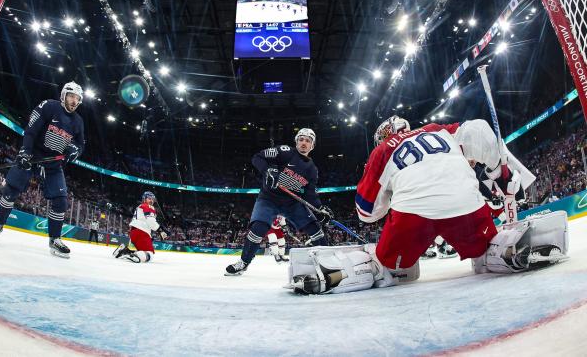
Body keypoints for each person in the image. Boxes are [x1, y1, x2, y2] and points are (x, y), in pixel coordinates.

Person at [288, 117, 567, 294]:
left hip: (414, 216)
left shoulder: (381, 151)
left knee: (389, 266)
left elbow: (366, 214)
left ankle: (340, 273)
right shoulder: (438, 129)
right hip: (467, 206)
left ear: (382, 136)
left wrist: (388, 190)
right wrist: (499, 172)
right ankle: (506, 248)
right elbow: (479, 130)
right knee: (482, 249)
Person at [0, 82, 85, 259]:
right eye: (71, 96)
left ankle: (54, 240)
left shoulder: (78, 121)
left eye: (77, 99)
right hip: (33, 156)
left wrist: (75, 150)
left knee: (61, 201)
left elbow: (80, 143)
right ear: (63, 95)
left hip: (53, 164)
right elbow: (31, 130)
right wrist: (25, 151)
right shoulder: (48, 106)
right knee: (11, 190)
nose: (74, 101)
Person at [225, 128, 333, 276]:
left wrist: (319, 209)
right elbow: (257, 157)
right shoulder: (285, 151)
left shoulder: (312, 169)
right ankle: (243, 263)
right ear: (296, 141)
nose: (304, 143)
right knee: (258, 228)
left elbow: (309, 194)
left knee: (315, 229)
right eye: (301, 139)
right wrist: (267, 170)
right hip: (268, 199)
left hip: (292, 202)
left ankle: (328, 264)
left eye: (308, 141)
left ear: (312, 146)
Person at [113, 191, 168, 263]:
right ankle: (131, 255)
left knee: (143, 252)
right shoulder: (148, 206)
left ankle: (124, 251)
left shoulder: (140, 206)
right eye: (149, 198)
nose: (151, 201)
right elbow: (150, 221)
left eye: (152, 199)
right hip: (141, 232)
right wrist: (160, 230)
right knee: (149, 254)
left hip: (135, 232)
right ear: (144, 199)